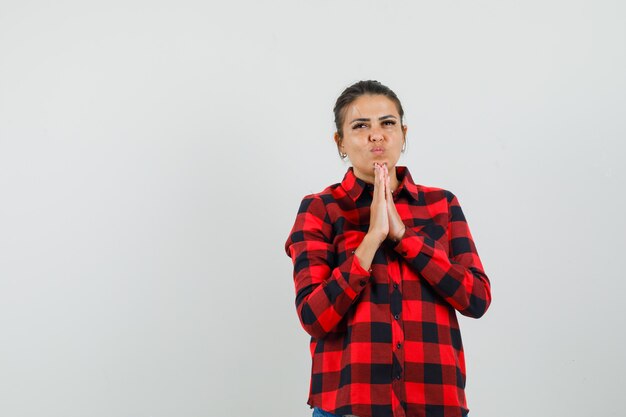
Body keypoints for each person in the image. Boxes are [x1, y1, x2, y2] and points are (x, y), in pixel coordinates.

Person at [284, 80, 492, 417]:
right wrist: (371, 239)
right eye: (360, 125)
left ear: (403, 134)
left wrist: (403, 236)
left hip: (435, 405)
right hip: (349, 408)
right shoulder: (320, 209)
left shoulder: (441, 205)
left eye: (387, 123)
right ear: (340, 142)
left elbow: (477, 299)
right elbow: (313, 316)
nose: (376, 135)